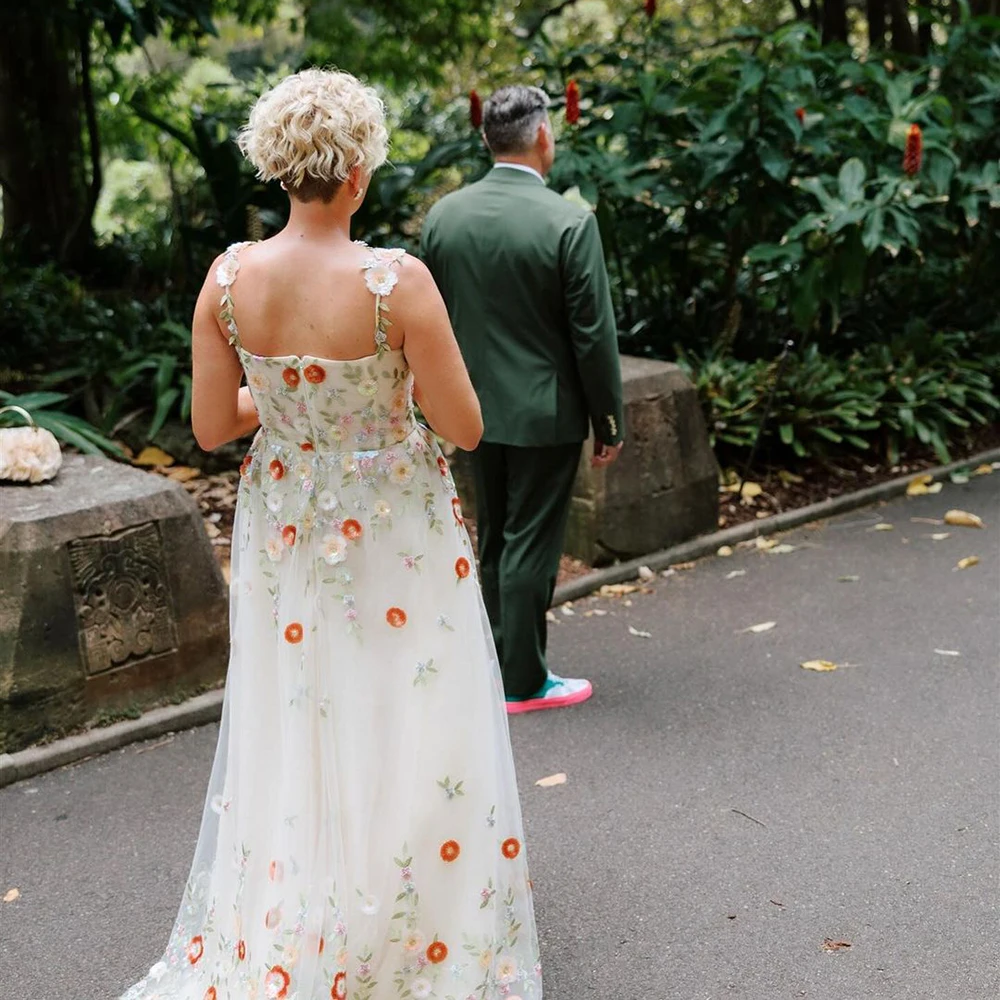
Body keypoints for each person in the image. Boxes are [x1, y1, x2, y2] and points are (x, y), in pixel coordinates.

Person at [118, 69, 543, 1000]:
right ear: (356, 170)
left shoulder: (228, 279)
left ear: (280, 170)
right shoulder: (397, 283)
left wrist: (289, 392)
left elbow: (211, 426)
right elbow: (464, 426)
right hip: (396, 521)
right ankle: (408, 927)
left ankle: (303, 916)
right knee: (409, 704)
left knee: (303, 711)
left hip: (289, 518)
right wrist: (374, 395)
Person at [420, 84, 624, 716]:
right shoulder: (569, 221)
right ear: (543, 137)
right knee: (532, 543)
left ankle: (497, 665)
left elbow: (437, 320)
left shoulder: (443, 218)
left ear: (488, 140)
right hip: (545, 411)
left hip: (470, 411)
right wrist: (607, 420)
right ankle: (524, 681)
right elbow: (592, 334)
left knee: (496, 539)